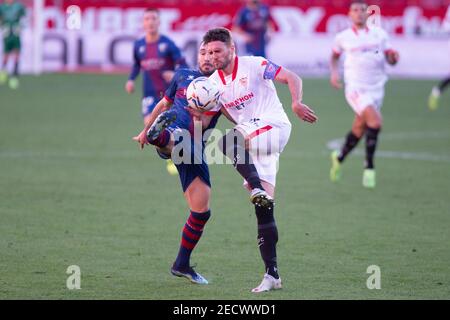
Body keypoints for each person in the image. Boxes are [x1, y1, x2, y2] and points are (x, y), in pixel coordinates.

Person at [200, 27, 318, 293]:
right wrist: (192, 118)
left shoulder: (254, 64)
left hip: (274, 126)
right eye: (208, 52)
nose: (213, 56)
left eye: (218, 50)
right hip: (255, 139)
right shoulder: (213, 85)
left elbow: (291, 76)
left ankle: (255, 187)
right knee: (264, 210)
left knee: (227, 142)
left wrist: (297, 102)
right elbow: (220, 117)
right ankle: (272, 275)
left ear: (232, 50)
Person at [132, 43, 220, 285]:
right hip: (177, 133)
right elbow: (163, 104)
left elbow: (233, 116)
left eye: (212, 54)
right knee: (177, 138)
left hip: (196, 148)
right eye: (203, 53)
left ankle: (181, 264)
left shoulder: (223, 87)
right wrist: (145, 130)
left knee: (201, 212)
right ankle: (158, 137)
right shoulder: (183, 76)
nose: (207, 58)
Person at [329, 0, 399, 188]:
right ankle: (369, 167)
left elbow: (391, 59)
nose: (359, 13)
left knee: (360, 127)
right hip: (356, 88)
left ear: (368, 14)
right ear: (349, 15)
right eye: (355, 10)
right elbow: (334, 56)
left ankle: (339, 157)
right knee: (375, 122)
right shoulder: (343, 37)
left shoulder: (380, 34)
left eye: (362, 10)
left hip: (377, 87)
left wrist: (393, 58)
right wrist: (334, 74)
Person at [126, 7, 187, 175]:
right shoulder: (139, 45)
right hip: (149, 93)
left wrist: (174, 75)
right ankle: (169, 156)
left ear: (159, 22)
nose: (150, 22)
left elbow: (182, 62)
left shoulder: (167, 44)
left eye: (153, 18)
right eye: (147, 19)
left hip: (168, 93)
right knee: (150, 124)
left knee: (170, 124)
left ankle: (174, 151)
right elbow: (137, 64)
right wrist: (131, 79)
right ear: (143, 23)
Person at [0, 0, 26, 89]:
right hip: (7, 34)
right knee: (6, 55)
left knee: (17, 54)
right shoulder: (2, 7)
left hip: (16, 33)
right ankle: (3, 73)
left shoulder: (18, 6)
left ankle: (14, 76)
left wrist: (21, 26)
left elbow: (24, 17)